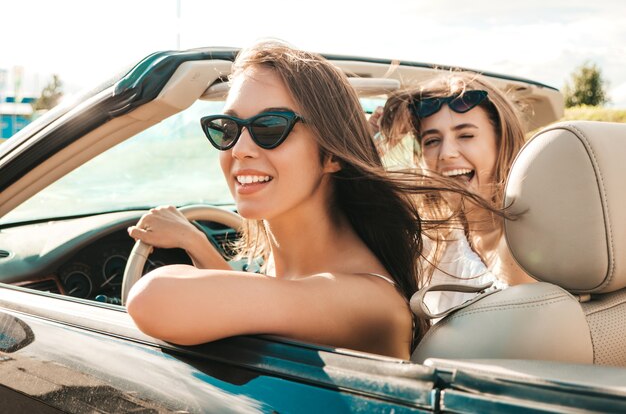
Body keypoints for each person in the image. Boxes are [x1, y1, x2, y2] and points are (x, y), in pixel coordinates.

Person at [126, 41, 433, 359]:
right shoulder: (296, 275)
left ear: (332, 154)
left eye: (270, 127)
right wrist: (196, 242)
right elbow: (270, 303)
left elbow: (153, 299)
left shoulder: (367, 300)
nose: (239, 149)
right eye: (228, 128)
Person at [376, 72, 535, 316]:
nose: (446, 153)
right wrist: (372, 142)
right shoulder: (432, 236)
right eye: (431, 141)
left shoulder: (526, 246)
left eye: (465, 135)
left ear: (501, 141)